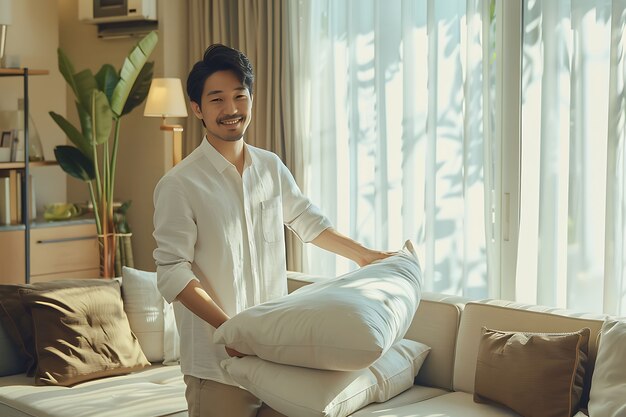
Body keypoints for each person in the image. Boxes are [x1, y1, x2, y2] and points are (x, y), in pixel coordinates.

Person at [153, 44, 394, 417]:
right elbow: (172, 271)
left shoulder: (270, 167)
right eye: (216, 99)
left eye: (239, 96)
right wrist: (230, 329)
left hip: (276, 362)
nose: (231, 110)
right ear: (197, 108)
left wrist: (368, 257)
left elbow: (309, 223)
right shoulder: (179, 184)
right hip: (217, 367)